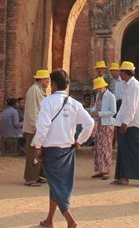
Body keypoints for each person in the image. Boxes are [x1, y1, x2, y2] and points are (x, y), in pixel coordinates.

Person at [33, 68, 94, 228]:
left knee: (56, 185)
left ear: (53, 84)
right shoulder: (75, 103)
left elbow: (43, 126)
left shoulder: (48, 102)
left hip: (51, 149)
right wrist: (80, 141)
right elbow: (90, 123)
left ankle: (69, 219)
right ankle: (49, 220)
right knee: (57, 185)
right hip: (68, 150)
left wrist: (38, 145)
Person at [112, 61, 139, 186]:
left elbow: (132, 106)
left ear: (125, 72)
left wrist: (125, 122)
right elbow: (124, 106)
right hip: (126, 123)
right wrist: (118, 122)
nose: (119, 74)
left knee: (137, 151)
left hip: (133, 124)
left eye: (121, 71)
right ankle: (123, 177)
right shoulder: (127, 85)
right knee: (123, 151)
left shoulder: (134, 85)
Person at [24, 68, 52, 186]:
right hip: (33, 128)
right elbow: (32, 110)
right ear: (42, 80)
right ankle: (30, 178)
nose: (48, 82)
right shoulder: (34, 90)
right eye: (47, 80)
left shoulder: (39, 90)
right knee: (32, 153)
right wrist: (35, 125)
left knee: (38, 153)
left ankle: (37, 175)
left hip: (39, 127)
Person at [89, 75, 116, 179]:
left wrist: (99, 114)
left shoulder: (111, 96)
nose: (98, 90)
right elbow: (96, 107)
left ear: (104, 86)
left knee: (106, 147)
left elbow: (113, 111)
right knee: (98, 148)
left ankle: (106, 170)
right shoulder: (98, 95)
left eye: (99, 88)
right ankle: (100, 169)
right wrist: (93, 111)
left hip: (107, 124)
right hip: (99, 123)